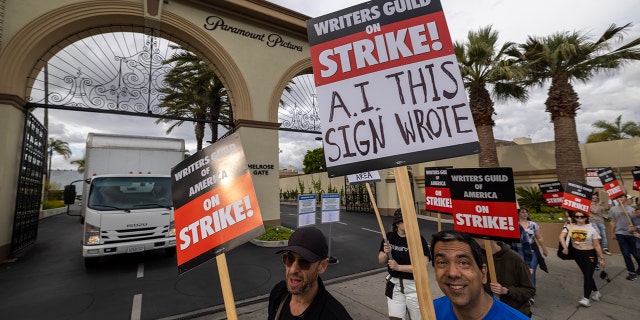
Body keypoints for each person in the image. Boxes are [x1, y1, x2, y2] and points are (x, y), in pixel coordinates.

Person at [430, 230, 530, 320]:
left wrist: (507, 291)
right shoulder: (429, 313)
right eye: (442, 262)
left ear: (483, 273)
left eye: (463, 263)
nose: (452, 273)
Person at [268, 227, 352, 320]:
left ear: (322, 266)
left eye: (304, 262)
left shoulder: (335, 315)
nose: (292, 270)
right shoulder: (278, 294)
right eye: (289, 259)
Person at [378, 209, 430, 320]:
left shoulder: (418, 239)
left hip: (414, 287)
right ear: (397, 223)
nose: (410, 223)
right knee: (395, 318)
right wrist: (386, 253)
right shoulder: (389, 237)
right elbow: (381, 260)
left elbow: (423, 267)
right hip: (394, 285)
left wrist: (398, 267)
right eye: (406, 221)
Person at [476, 239, 535, 318]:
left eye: (476, 237)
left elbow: (530, 291)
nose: (473, 240)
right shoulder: (478, 258)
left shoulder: (515, 259)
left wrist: (506, 291)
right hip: (489, 312)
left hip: (514, 312)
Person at [559, 211, 606, 307]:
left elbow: (597, 245)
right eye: (577, 216)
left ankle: (586, 299)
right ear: (574, 217)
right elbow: (561, 237)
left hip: (590, 254)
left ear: (586, 217)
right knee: (586, 274)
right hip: (577, 254)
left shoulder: (592, 228)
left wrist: (602, 258)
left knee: (587, 275)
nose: (579, 218)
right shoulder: (570, 226)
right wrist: (565, 247)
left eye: (582, 216)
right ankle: (596, 292)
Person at [510, 208, 548, 287]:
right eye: (522, 212)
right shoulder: (513, 224)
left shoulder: (533, 224)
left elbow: (539, 238)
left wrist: (544, 249)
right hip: (518, 250)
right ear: (518, 213)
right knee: (519, 272)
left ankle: (531, 292)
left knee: (531, 271)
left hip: (531, 250)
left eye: (526, 212)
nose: (525, 214)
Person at [609, 195, 640, 280]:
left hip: (631, 233)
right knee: (626, 253)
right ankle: (632, 272)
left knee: (635, 253)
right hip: (620, 233)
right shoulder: (613, 209)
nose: (620, 199)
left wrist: (635, 229)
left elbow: (637, 220)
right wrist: (612, 232)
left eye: (622, 197)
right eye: (618, 197)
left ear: (625, 198)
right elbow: (612, 221)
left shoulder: (632, 209)